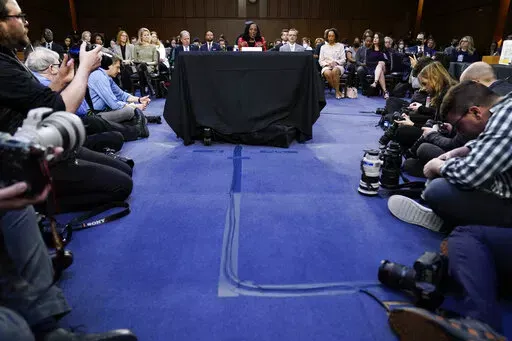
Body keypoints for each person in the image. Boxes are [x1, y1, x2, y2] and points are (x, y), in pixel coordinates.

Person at [0, 1, 138, 339]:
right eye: (19, 16)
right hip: (29, 158)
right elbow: (60, 108)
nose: (26, 21)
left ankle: (52, 330)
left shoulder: (8, 61)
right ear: (3, 23)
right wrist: (84, 71)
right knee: (118, 179)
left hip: (37, 149)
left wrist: (59, 84)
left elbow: (41, 105)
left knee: (118, 164)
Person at [388, 81, 510, 232]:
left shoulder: (507, 117)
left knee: (439, 189)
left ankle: (451, 225)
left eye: (458, 126)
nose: (460, 132)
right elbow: (491, 144)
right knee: (447, 169)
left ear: (475, 112)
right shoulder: (504, 107)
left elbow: (469, 174)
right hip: (501, 185)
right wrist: (460, 151)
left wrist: (439, 166)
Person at [319, 28, 346, 99]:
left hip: (338, 66)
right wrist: (327, 64)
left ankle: (337, 92)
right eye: (329, 36)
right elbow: (321, 60)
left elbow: (343, 59)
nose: (331, 38)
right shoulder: (323, 47)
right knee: (328, 73)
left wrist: (336, 62)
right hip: (326, 66)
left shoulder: (340, 46)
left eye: (332, 36)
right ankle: (337, 90)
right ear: (327, 37)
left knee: (335, 70)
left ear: (335, 37)